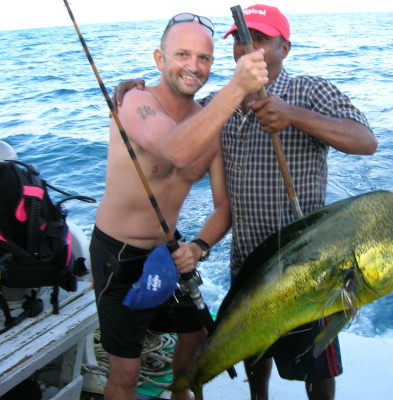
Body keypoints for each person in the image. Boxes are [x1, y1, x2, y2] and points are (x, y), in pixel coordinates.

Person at [114, 5, 377, 400]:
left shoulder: (310, 90)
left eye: (259, 38)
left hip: (309, 266)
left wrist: (293, 116)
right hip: (249, 263)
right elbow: (177, 116)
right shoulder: (222, 102)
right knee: (257, 358)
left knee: (316, 368)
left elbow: (365, 140)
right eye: (239, 38)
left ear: (284, 48)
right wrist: (138, 88)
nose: (246, 47)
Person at [90, 12, 268, 400]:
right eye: (182, 55)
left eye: (203, 58)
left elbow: (224, 208)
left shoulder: (210, 122)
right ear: (159, 59)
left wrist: (198, 247)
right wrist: (236, 89)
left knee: (196, 334)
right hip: (116, 256)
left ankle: (180, 393)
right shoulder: (135, 101)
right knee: (125, 374)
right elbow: (176, 149)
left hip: (168, 251)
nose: (193, 66)